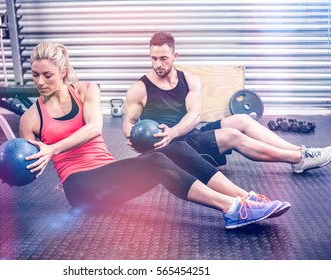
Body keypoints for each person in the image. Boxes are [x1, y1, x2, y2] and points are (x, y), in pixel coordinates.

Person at [19, 41, 289, 230]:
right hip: (80, 188)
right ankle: (232, 209)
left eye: (48, 75)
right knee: (156, 162)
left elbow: (94, 128)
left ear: (63, 72)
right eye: (35, 75)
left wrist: (52, 148)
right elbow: (28, 163)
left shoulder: (86, 91)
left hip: (109, 176)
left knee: (177, 149)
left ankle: (246, 198)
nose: (40, 82)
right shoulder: (31, 118)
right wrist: (16, 169)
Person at [123, 31, 331, 172]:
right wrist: (130, 134)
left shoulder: (189, 80)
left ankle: (300, 151)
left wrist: (175, 131)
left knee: (242, 120)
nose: (157, 64)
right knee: (232, 135)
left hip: (185, 135)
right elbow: (128, 121)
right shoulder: (139, 88)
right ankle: (298, 159)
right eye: (153, 58)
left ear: (175, 55)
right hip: (171, 149)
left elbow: (194, 114)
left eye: (163, 58)